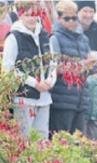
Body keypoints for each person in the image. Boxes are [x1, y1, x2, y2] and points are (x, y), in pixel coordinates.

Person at [1, 1, 56, 139]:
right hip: (24, 98)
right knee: (24, 138)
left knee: (42, 139)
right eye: (27, 15)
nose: (32, 18)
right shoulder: (14, 37)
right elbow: (8, 69)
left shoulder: (45, 35)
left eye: (34, 14)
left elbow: (53, 62)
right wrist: (34, 83)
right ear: (20, 15)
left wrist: (50, 81)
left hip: (45, 97)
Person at [49, 0, 91, 135]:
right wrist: (80, 66)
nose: (72, 21)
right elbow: (55, 67)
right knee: (60, 143)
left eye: (74, 18)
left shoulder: (83, 39)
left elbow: (88, 67)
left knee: (78, 145)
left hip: (80, 99)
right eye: (67, 18)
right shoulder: (55, 38)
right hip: (61, 100)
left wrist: (92, 66)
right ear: (59, 18)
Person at [83, 50, 97, 140]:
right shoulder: (86, 80)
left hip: (95, 116)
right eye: (93, 63)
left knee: (93, 139)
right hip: (85, 114)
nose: (95, 66)